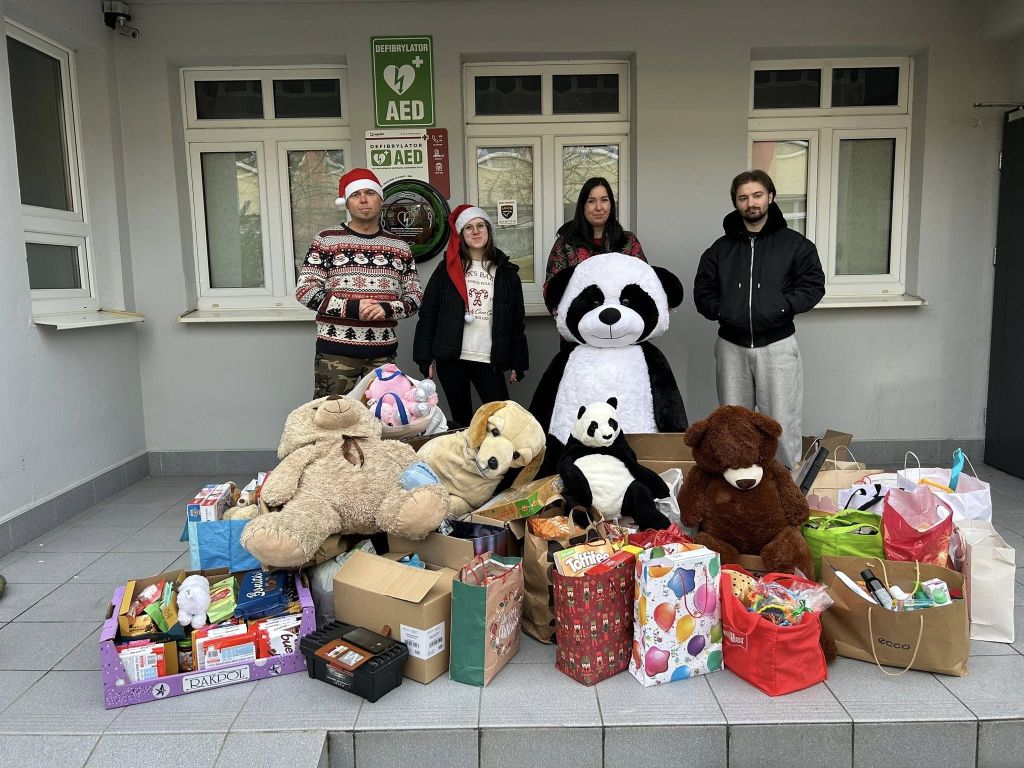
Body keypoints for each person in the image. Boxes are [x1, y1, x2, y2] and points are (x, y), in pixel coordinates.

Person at [693, 169, 825, 468]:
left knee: (781, 423)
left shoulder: (795, 245)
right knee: (733, 424)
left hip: (777, 346)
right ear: (735, 202)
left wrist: (780, 307)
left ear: (771, 197)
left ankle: (785, 484)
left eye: (757, 195)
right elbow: (703, 291)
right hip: (731, 347)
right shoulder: (720, 250)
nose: (751, 203)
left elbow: (813, 285)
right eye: (743, 198)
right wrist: (724, 311)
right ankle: (737, 485)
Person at [295, 168, 423, 398]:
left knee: (382, 416)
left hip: (383, 356)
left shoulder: (400, 247)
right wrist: (353, 307)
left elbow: (415, 296)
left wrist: (387, 309)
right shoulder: (327, 240)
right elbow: (305, 290)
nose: (363, 200)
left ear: (381, 200)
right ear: (346, 203)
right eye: (356, 194)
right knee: (332, 416)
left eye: (370, 193)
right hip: (336, 354)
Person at [414, 204, 527, 428]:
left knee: (501, 419)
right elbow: (428, 314)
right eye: (468, 227)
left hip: (488, 359)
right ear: (461, 234)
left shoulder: (506, 272)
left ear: (488, 230)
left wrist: (518, 361)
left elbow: (516, 320)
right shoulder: (447, 269)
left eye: (480, 226)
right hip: (452, 359)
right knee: (461, 421)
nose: (475, 231)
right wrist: (424, 358)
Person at [543, 176, 646, 302]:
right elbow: (551, 290)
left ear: (611, 205)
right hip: (580, 313)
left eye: (604, 200)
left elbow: (646, 282)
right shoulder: (566, 243)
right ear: (583, 206)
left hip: (621, 313)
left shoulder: (628, 241)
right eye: (591, 201)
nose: (598, 207)